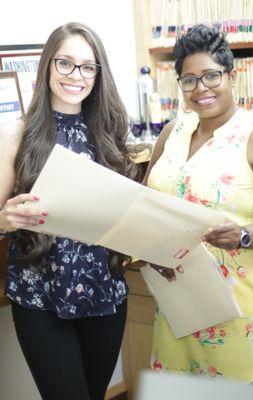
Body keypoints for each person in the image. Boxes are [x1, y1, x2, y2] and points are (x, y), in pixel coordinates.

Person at [0, 22, 137, 400]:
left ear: (98, 73)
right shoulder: (16, 134)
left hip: (105, 293)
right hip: (40, 297)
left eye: (87, 66)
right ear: (47, 67)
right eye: (65, 63)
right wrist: (4, 219)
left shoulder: (109, 133)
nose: (76, 76)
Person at [142, 24, 253, 382]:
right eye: (189, 80)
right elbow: (146, 205)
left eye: (211, 76)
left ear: (232, 76)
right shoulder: (171, 132)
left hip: (237, 317)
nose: (201, 89)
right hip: (176, 311)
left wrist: (241, 236)